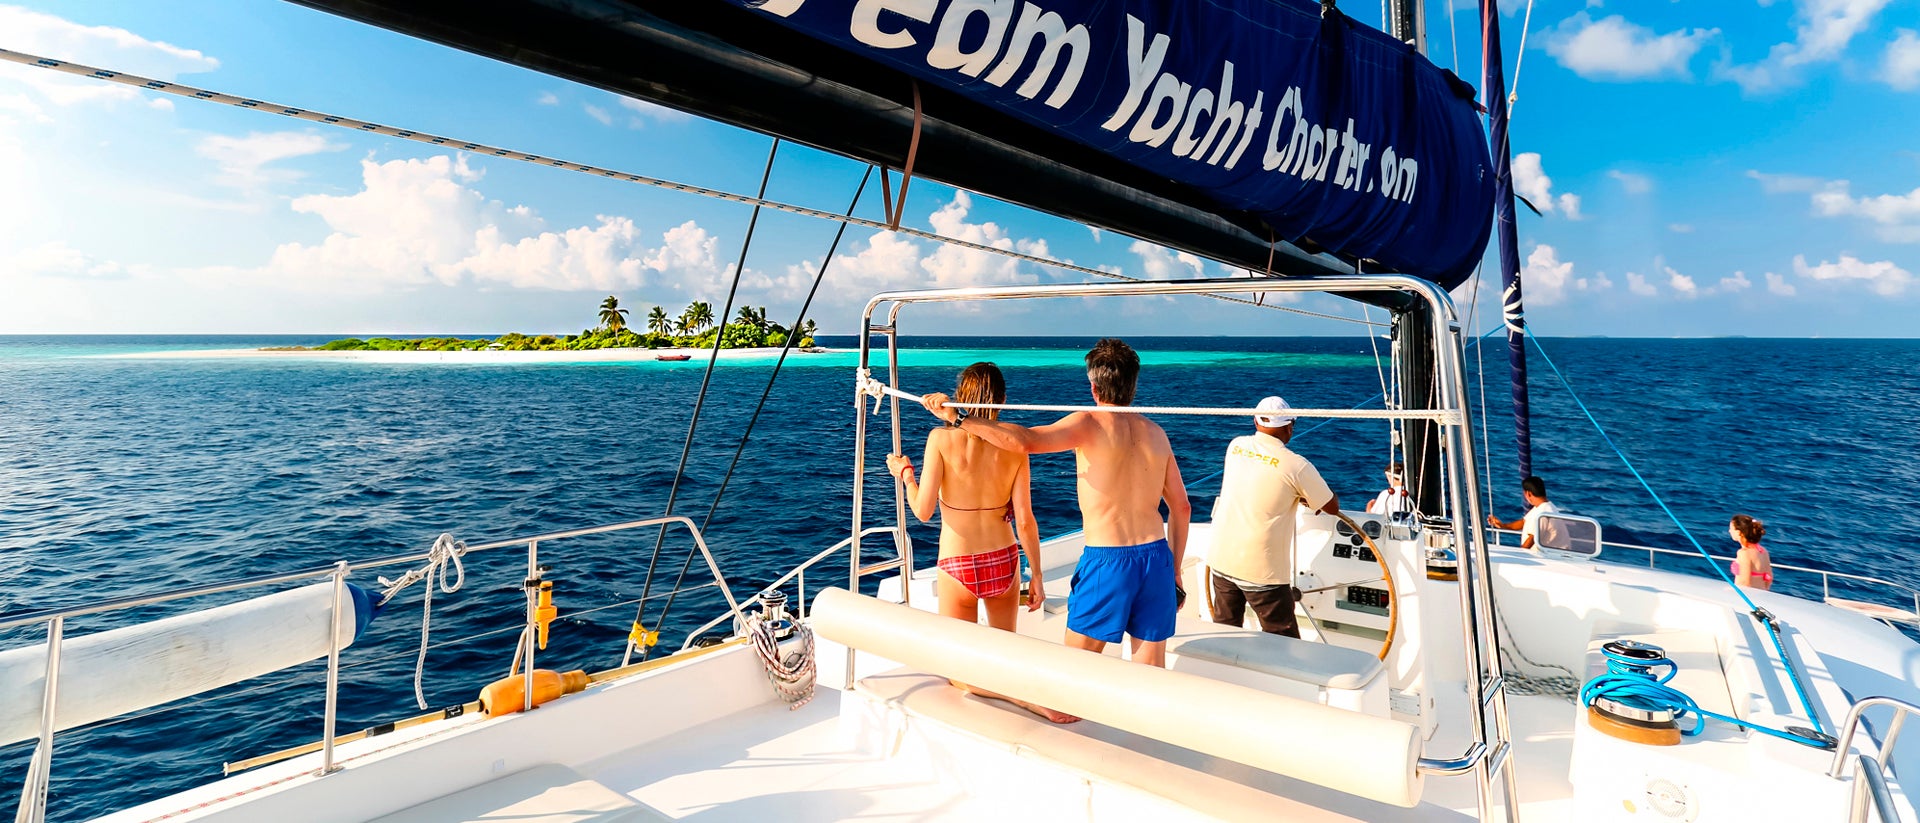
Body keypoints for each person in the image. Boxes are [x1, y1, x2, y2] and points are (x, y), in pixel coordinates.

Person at [922, 338, 1191, 668]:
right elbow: (1181, 508)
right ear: (1133, 385)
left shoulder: (1088, 422)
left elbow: (1024, 442)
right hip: (1156, 557)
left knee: (1070, 673)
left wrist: (959, 418)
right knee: (1151, 672)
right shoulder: (1156, 433)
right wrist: (1174, 571)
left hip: (1109, 560)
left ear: (1093, 387)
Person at [887, 363, 1074, 723]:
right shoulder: (1014, 445)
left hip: (958, 565)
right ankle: (1032, 690)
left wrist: (906, 475)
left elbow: (923, 511)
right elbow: (1025, 519)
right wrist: (1036, 576)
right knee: (1002, 655)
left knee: (957, 670)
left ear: (960, 398)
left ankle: (1023, 697)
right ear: (1003, 399)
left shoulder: (940, 440)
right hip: (1005, 560)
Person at [1206, 396, 1339, 638]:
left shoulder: (1236, 446)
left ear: (1256, 422)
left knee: (1224, 634)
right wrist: (1302, 495)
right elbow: (1331, 506)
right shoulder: (1297, 466)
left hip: (1221, 562)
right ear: (1290, 427)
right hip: (1262, 573)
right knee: (1283, 641)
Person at [1487, 476, 1558, 550]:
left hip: (1544, 557)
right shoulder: (1542, 507)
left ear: (1528, 494)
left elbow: (1532, 538)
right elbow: (1524, 522)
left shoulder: (1544, 512)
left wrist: (1519, 554)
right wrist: (1502, 525)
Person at [1729, 514, 1774, 591]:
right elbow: (1769, 578)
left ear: (1739, 532)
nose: (1729, 531)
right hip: (1761, 593)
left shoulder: (1743, 553)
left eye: (1731, 529)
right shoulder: (1763, 551)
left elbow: (1744, 582)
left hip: (1746, 596)